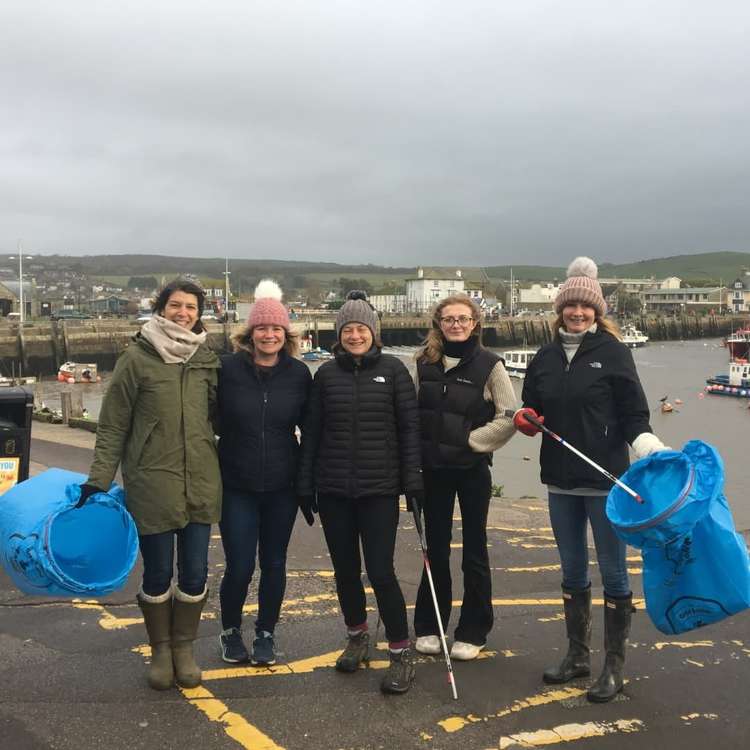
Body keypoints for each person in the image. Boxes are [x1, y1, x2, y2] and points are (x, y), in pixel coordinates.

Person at [516, 256, 668, 703]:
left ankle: (613, 668)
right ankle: (577, 656)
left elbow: (634, 415)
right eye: (570, 307)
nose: (577, 313)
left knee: (614, 573)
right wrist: (527, 420)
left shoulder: (614, 353)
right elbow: (531, 407)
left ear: (596, 312)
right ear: (560, 309)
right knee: (571, 569)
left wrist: (648, 449)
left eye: (585, 308)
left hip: (607, 482)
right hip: (560, 481)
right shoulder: (543, 356)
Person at [78, 279, 221, 691]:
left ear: (199, 313)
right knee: (158, 572)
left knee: (195, 572)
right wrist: (98, 479)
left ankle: (184, 649)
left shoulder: (206, 358)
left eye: (191, 307)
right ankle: (161, 649)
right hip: (152, 481)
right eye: (176, 305)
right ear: (161, 308)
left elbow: (221, 418)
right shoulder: (136, 358)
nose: (184, 313)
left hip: (201, 481)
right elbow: (113, 425)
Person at [297, 291, 423, 694]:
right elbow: (312, 433)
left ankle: (402, 652)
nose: (355, 335)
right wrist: (305, 484)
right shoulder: (325, 376)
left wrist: (413, 481)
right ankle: (357, 636)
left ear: (374, 333)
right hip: (333, 489)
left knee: (381, 572)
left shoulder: (394, 371)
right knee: (345, 572)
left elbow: (409, 430)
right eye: (348, 329)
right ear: (339, 335)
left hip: (379, 489)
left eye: (361, 329)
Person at [413, 295, 517, 661]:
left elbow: (508, 416)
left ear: (475, 323)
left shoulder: (490, 366)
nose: (455, 325)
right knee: (434, 550)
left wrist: (471, 441)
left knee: (474, 550)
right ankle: (430, 624)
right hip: (434, 471)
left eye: (463, 319)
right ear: (438, 323)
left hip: (471, 470)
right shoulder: (423, 364)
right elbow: (410, 415)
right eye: (448, 319)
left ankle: (474, 629)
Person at [216, 280, 311, 666]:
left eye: (275, 329)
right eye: (261, 328)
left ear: (285, 334)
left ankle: (266, 633)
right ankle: (230, 631)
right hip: (236, 484)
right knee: (239, 565)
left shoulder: (299, 375)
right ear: (249, 333)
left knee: (274, 563)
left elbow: (315, 429)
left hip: (281, 487)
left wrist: (308, 482)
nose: (269, 335)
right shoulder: (225, 370)